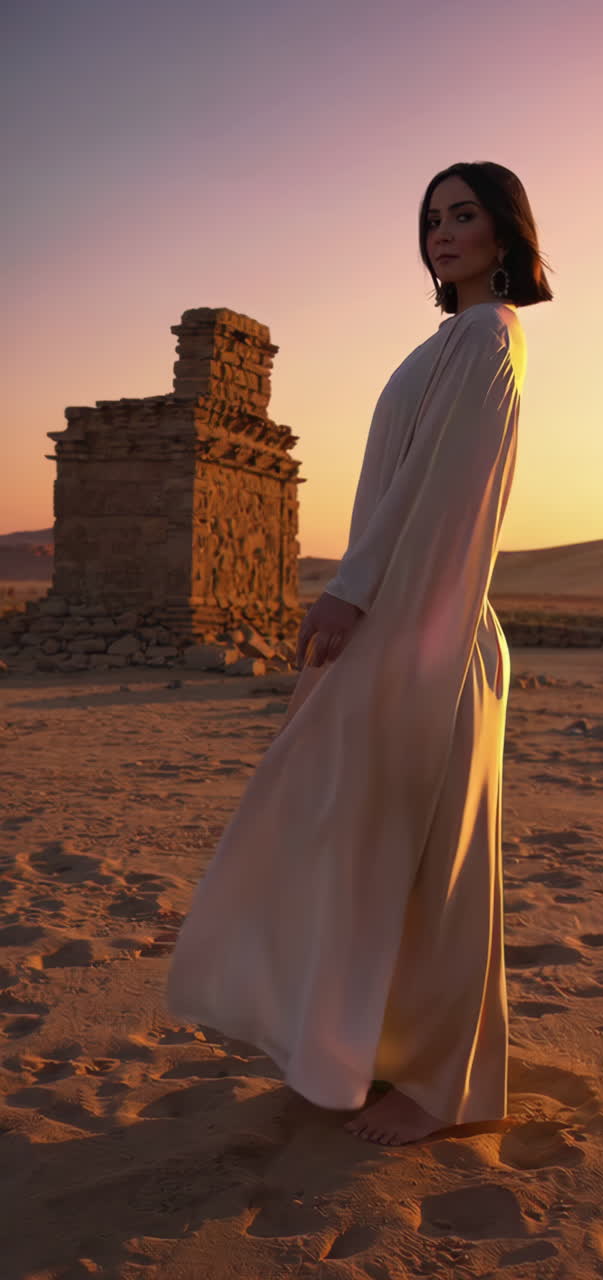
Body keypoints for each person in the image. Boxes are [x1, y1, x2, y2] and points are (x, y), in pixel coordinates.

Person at [166, 161, 553, 1146]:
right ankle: (377, 1052)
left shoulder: (486, 339)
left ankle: (449, 1084)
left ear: (506, 233)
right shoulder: (453, 337)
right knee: (380, 849)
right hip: (408, 622)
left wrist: (349, 591)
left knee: (434, 866)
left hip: (431, 628)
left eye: (465, 215)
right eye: (431, 217)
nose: (443, 232)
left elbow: (444, 493)